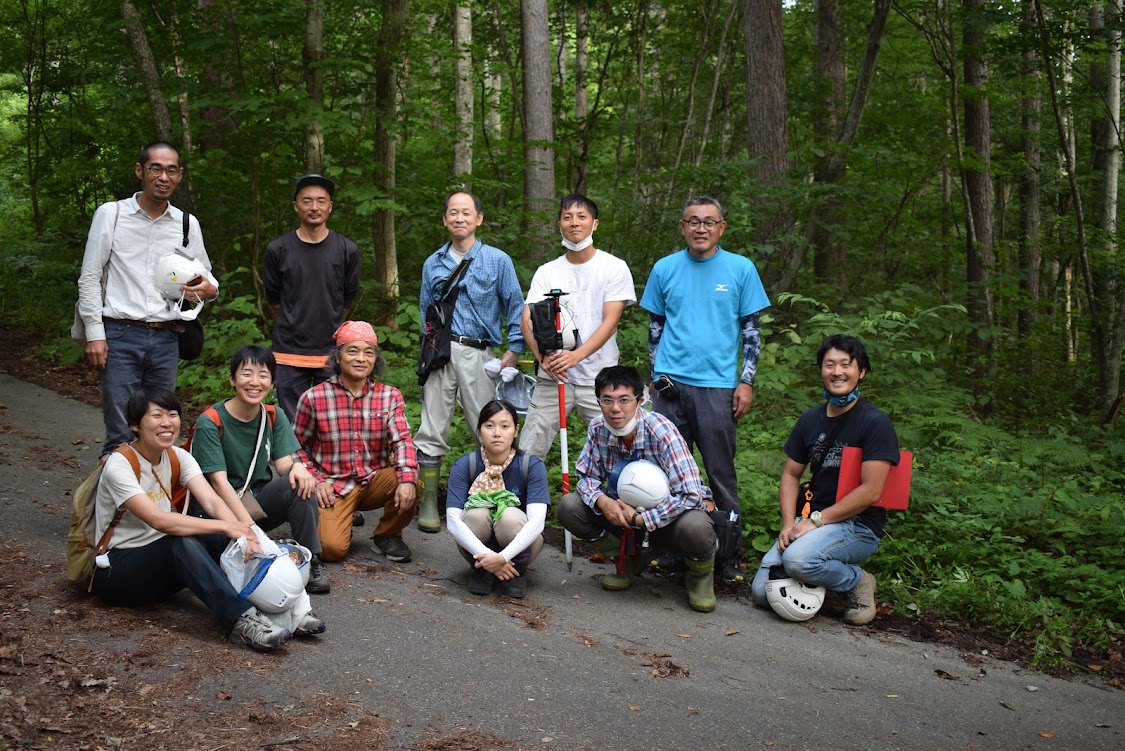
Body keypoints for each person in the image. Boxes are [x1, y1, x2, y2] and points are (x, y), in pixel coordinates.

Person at [91, 385, 324, 652]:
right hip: (117, 573)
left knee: (220, 536)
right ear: (134, 424)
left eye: (172, 414)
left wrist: (245, 533)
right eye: (156, 416)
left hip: (161, 571)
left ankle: (288, 612)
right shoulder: (119, 465)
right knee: (180, 541)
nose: (167, 423)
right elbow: (160, 520)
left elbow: (213, 501)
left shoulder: (179, 457)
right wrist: (229, 526)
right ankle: (241, 619)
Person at [639, 195, 770, 582]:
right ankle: (675, 551)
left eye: (709, 222)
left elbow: (751, 332)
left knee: (719, 474)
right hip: (670, 386)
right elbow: (655, 329)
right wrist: (654, 375)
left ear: (721, 227)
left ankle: (727, 557)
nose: (701, 228)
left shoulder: (740, 269)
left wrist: (745, 382)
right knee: (667, 475)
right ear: (682, 226)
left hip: (717, 388)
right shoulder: (665, 268)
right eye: (693, 221)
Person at [77, 141, 218, 454]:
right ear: (140, 171)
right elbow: (90, 275)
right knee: (120, 435)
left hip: (167, 339)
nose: (163, 177)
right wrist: (94, 333)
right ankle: (105, 504)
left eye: (171, 170)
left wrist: (209, 290)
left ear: (179, 175)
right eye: (156, 168)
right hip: (118, 335)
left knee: (159, 434)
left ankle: (154, 504)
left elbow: (208, 279)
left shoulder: (186, 224)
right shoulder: (112, 215)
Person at [750, 335, 899, 626]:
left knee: (797, 562)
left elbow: (871, 491)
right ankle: (821, 582)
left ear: (862, 372)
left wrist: (816, 521)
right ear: (821, 370)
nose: (837, 371)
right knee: (760, 593)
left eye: (846, 364)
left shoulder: (874, 422)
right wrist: (788, 524)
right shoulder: (810, 419)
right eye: (829, 364)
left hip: (857, 525)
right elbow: (791, 474)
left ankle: (857, 581)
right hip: (810, 520)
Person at [558, 366, 719, 613]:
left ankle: (699, 577)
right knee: (570, 507)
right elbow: (586, 477)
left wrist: (643, 519)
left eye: (624, 400)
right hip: (621, 513)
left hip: (668, 517)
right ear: (598, 401)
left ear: (640, 401)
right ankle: (627, 560)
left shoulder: (662, 431)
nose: (615, 408)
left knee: (696, 527)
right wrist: (603, 502)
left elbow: (690, 493)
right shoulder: (597, 428)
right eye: (607, 400)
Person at [415, 191, 526, 533]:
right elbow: (425, 313)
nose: (459, 218)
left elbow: (516, 305)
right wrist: (429, 350)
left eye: (466, 213)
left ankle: (494, 497)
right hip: (441, 352)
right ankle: (429, 500)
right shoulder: (433, 263)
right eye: (453, 213)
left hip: (481, 355)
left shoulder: (497, 260)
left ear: (479, 218)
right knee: (432, 426)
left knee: (491, 428)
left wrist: (515, 349)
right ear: (445, 219)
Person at [189, 345, 330, 594]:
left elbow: (283, 463)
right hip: (217, 512)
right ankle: (248, 547)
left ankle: (310, 559)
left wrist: (298, 468)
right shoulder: (211, 421)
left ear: (273, 383)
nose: (255, 382)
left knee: (299, 484)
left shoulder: (274, 416)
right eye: (246, 374)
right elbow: (219, 483)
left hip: (254, 503)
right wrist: (249, 531)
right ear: (232, 379)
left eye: (263, 375)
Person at [519, 194, 636, 459]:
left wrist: (576, 357)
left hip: (600, 376)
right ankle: (520, 497)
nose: (574, 223)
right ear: (559, 223)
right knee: (529, 447)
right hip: (554, 376)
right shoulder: (547, 271)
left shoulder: (613, 268)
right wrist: (542, 358)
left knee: (619, 445)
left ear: (595, 224)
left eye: (581, 217)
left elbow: (611, 321)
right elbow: (526, 318)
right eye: (567, 217)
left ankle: (620, 495)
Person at [293, 321, 419, 563]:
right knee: (331, 550)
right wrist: (316, 480)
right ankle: (341, 518)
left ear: (375, 360)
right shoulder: (314, 397)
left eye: (368, 352)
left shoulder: (389, 396)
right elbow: (294, 446)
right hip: (333, 486)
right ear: (338, 357)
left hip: (374, 481)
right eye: (352, 351)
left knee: (409, 476)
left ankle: (388, 535)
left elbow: (402, 441)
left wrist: (407, 480)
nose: (361, 358)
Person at [263, 174, 360, 423]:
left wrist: (331, 325)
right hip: (288, 352)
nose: (314, 207)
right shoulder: (278, 249)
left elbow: (348, 298)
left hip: (330, 352)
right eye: (307, 201)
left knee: (330, 421)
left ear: (330, 206)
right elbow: (273, 298)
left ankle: (326, 464)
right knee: (291, 424)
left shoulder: (346, 249)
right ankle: (293, 464)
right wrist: (293, 319)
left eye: (321, 201)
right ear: (296, 206)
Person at [445, 400, 549, 598]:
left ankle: (516, 570)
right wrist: (490, 561)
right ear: (479, 430)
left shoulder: (531, 466)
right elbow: (452, 520)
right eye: (489, 426)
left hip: (520, 544)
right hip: (477, 549)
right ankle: (482, 569)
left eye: (505, 426)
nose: (497, 433)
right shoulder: (466, 465)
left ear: (516, 430)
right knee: (476, 515)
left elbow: (537, 522)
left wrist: (502, 558)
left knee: (508, 516)